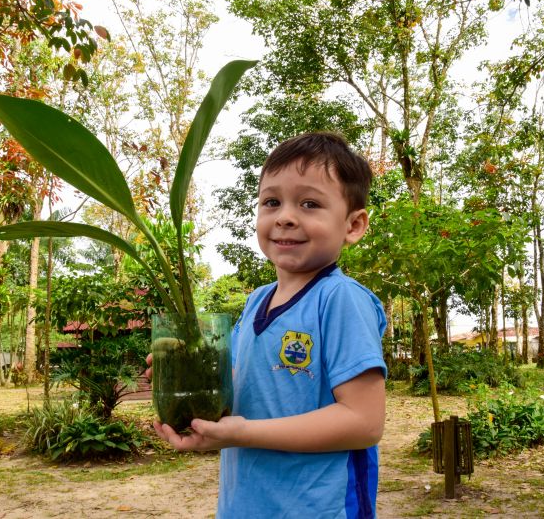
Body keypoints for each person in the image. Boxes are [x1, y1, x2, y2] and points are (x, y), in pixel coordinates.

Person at [148, 132, 387, 518]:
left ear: (353, 225)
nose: (285, 216)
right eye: (271, 202)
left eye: (309, 203)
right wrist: (185, 381)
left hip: (318, 509)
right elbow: (248, 393)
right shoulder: (256, 300)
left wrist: (243, 434)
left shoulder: (340, 299)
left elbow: (363, 422)